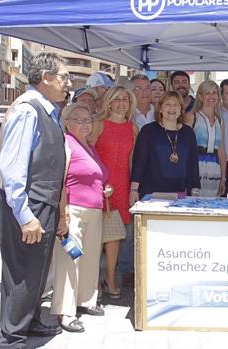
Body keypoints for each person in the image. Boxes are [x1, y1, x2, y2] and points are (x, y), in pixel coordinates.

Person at [0, 52, 71, 348]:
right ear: (45, 78)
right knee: (22, 273)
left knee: (37, 269)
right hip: (27, 202)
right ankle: (11, 338)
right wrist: (25, 215)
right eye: (64, 77)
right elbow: (12, 169)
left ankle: (31, 322)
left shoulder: (48, 109)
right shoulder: (27, 110)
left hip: (44, 199)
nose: (68, 83)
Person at [51, 103, 109, 333]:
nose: (86, 123)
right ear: (67, 122)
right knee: (69, 260)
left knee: (90, 258)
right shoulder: (66, 144)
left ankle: (85, 299)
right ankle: (65, 312)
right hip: (73, 209)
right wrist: (62, 215)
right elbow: (60, 181)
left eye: (88, 119)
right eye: (80, 119)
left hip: (94, 209)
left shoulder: (89, 146)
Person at [91, 86, 139, 296]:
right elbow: (89, 155)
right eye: (117, 99)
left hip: (122, 185)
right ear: (109, 102)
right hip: (101, 184)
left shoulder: (133, 128)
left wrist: (132, 188)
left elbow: (131, 161)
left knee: (115, 236)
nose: (121, 103)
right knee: (96, 235)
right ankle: (93, 280)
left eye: (125, 100)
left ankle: (110, 279)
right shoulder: (99, 125)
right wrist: (99, 183)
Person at [130, 91, 201, 198]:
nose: (172, 108)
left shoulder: (188, 133)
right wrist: (134, 190)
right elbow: (139, 162)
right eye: (168, 104)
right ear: (160, 108)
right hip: (152, 194)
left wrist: (195, 190)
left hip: (182, 193)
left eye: (176, 105)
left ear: (181, 109)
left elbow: (193, 164)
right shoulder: (148, 131)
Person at [184, 80, 226, 197]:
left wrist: (223, 177)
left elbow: (222, 151)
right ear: (200, 97)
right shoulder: (192, 117)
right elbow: (184, 148)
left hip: (215, 170)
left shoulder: (220, 120)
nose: (211, 96)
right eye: (207, 93)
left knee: (212, 207)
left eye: (214, 93)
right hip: (195, 168)